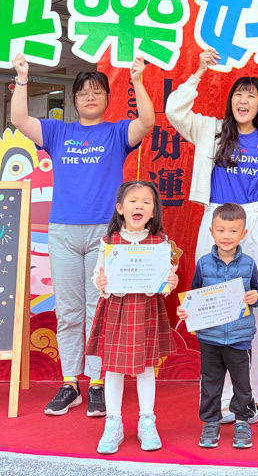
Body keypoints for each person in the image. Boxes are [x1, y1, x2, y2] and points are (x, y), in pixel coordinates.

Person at [166, 48, 258, 422]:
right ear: (231, 101)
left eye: (251, 95)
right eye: (238, 94)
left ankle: (248, 396)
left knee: (254, 306)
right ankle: (217, 395)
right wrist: (198, 72)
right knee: (212, 304)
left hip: (254, 221)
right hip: (216, 218)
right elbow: (174, 112)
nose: (244, 100)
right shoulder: (211, 130)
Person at [11, 53, 155, 418]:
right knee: (69, 311)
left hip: (104, 234)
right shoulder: (58, 132)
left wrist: (138, 80)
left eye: (97, 92)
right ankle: (70, 383)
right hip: (63, 231)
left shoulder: (116, 133)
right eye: (83, 92)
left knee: (97, 311)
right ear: (74, 99)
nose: (90, 97)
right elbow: (19, 120)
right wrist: (23, 78)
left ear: (107, 98)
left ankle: (97, 383)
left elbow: (147, 122)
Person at [87, 181, 179, 454]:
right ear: (120, 208)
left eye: (147, 202)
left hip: (146, 310)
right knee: (113, 368)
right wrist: (101, 283)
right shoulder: (109, 242)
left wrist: (169, 282)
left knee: (145, 367)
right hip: (116, 309)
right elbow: (98, 275)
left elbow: (164, 284)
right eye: (133, 201)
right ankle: (113, 421)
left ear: (153, 211)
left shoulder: (160, 242)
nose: (139, 206)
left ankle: (146, 420)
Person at [176, 203, 258, 450]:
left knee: (242, 384)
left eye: (233, 231)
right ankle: (211, 422)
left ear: (243, 233)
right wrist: (185, 310)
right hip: (210, 338)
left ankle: (242, 421)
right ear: (211, 232)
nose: (227, 236)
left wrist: (255, 296)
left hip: (239, 337)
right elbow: (194, 295)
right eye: (221, 230)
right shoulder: (204, 263)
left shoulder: (249, 264)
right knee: (210, 383)